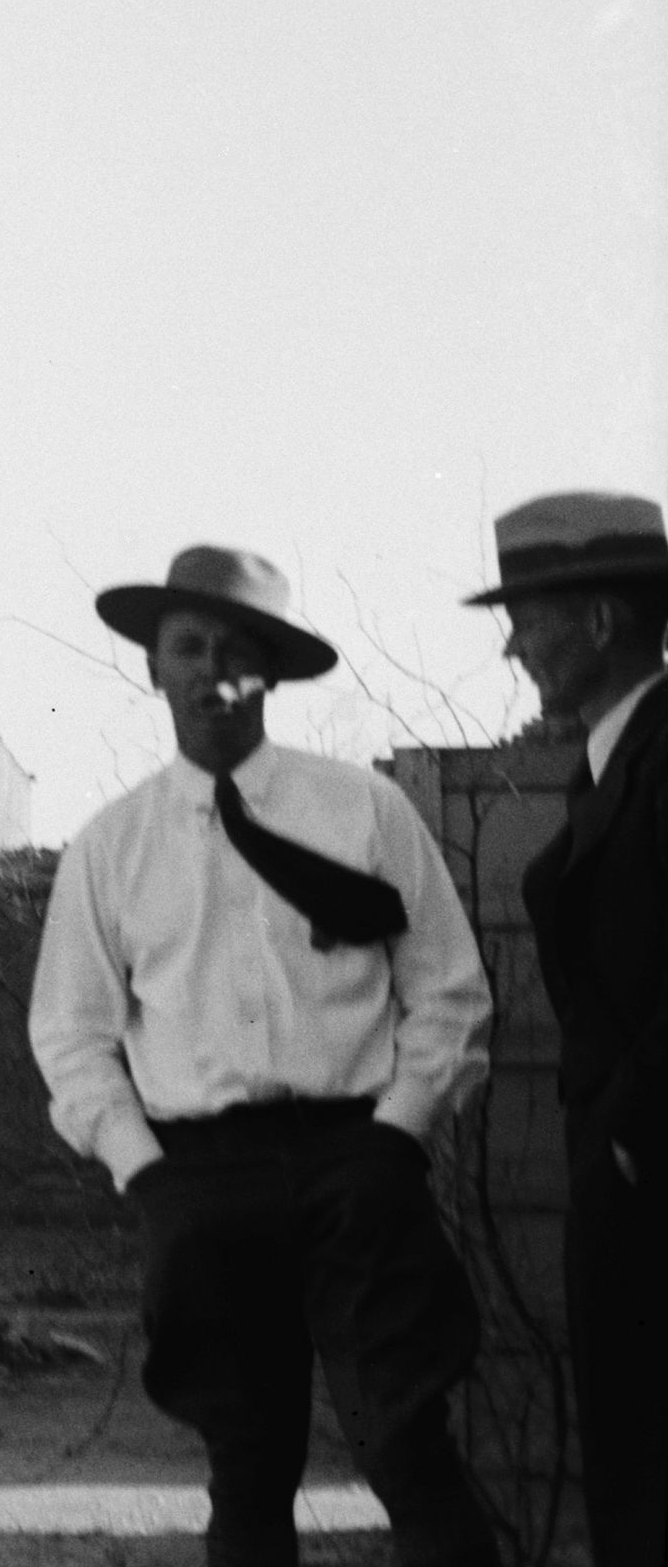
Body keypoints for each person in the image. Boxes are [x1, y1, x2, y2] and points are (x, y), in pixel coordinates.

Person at [32, 543, 499, 1567]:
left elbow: (448, 989)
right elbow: (70, 1030)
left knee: (408, 1446)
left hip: (355, 1161)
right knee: (246, 1465)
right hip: (199, 1178)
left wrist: (396, 1138)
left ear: (273, 674)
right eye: (187, 646)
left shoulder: (363, 810)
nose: (211, 670)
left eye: (238, 650)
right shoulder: (112, 845)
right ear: (154, 667)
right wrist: (143, 1170)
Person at [481, 490, 668, 1567]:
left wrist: (637, 1131)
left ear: (599, 621)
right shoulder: (617, 758)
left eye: (529, 616)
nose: (513, 645)